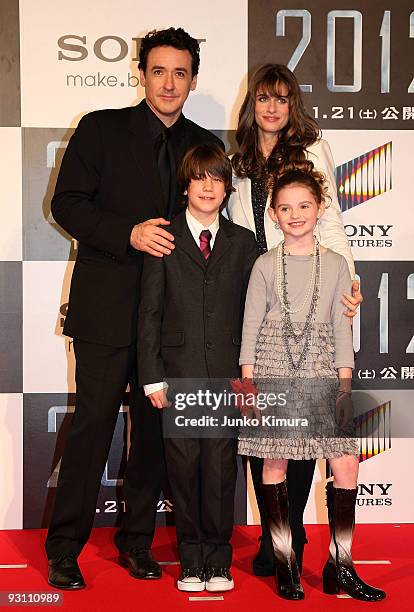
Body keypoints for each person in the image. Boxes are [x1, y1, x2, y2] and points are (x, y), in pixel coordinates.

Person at [46, 28, 224, 590]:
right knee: (93, 426)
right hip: (106, 309)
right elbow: (67, 203)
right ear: (140, 73)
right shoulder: (99, 129)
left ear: (193, 80)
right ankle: (64, 547)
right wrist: (128, 233)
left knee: (152, 436)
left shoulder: (202, 143)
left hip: (172, 322)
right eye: (159, 71)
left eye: (180, 73)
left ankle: (137, 544)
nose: (169, 83)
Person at [226, 63, 362, 575]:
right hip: (260, 293)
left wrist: (346, 285)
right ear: (252, 104)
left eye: (282, 99)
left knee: (308, 434)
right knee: (269, 434)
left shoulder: (310, 150)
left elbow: (331, 224)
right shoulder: (238, 161)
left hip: (310, 295)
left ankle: (295, 539)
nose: (272, 108)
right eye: (264, 98)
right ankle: (275, 539)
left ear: (293, 105)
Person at [238, 168, 385, 601]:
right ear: (273, 215)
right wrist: (248, 381)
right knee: (275, 462)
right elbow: (250, 325)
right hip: (271, 366)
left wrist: (345, 385)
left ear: (320, 210)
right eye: (285, 207)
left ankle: (341, 565)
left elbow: (343, 330)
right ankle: (286, 564)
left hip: (324, 369)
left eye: (304, 205)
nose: (295, 214)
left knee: (346, 464)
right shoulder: (264, 265)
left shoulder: (338, 265)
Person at [137, 144, 257, 592]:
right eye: (199, 178)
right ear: (186, 185)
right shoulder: (163, 237)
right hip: (177, 372)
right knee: (184, 468)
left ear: (227, 188)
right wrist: (151, 374)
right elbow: (149, 312)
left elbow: (253, 311)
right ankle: (191, 560)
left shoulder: (242, 242)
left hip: (227, 373)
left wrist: (249, 375)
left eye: (217, 178)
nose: (208, 186)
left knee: (222, 468)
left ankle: (218, 560)